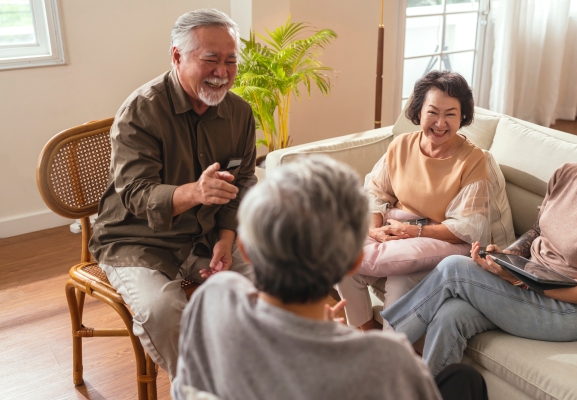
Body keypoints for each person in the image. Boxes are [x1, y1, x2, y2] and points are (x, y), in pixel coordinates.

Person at [380, 98, 577, 376]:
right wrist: (507, 258)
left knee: (453, 269)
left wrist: (517, 279)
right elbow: (538, 231)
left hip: (574, 311)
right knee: (451, 315)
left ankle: (376, 357)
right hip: (532, 280)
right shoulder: (567, 174)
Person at [171, 156, 488, 400]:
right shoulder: (387, 360)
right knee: (465, 380)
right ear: (353, 262)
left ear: (246, 249)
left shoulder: (213, 299)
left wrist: (308, 329)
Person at [88, 9, 256, 377]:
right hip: (136, 241)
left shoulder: (240, 114)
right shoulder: (141, 111)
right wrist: (196, 192)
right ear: (177, 56)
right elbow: (135, 193)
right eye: (210, 59)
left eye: (231, 61)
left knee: (271, 283)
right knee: (163, 311)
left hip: (208, 236)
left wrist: (226, 239)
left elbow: (243, 185)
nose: (223, 72)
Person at [338, 70, 491, 331]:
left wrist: (411, 231)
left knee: (400, 279)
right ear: (418, 111)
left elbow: (470, 228)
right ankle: (365, 334)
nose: (440, 123)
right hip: (396, 228)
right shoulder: (401, 145)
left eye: (450, 114)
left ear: (463, 116)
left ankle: (390, 352)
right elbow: (376, 192)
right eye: (433, 112)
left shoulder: (473, 160)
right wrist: (375, 229)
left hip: (439, 240)